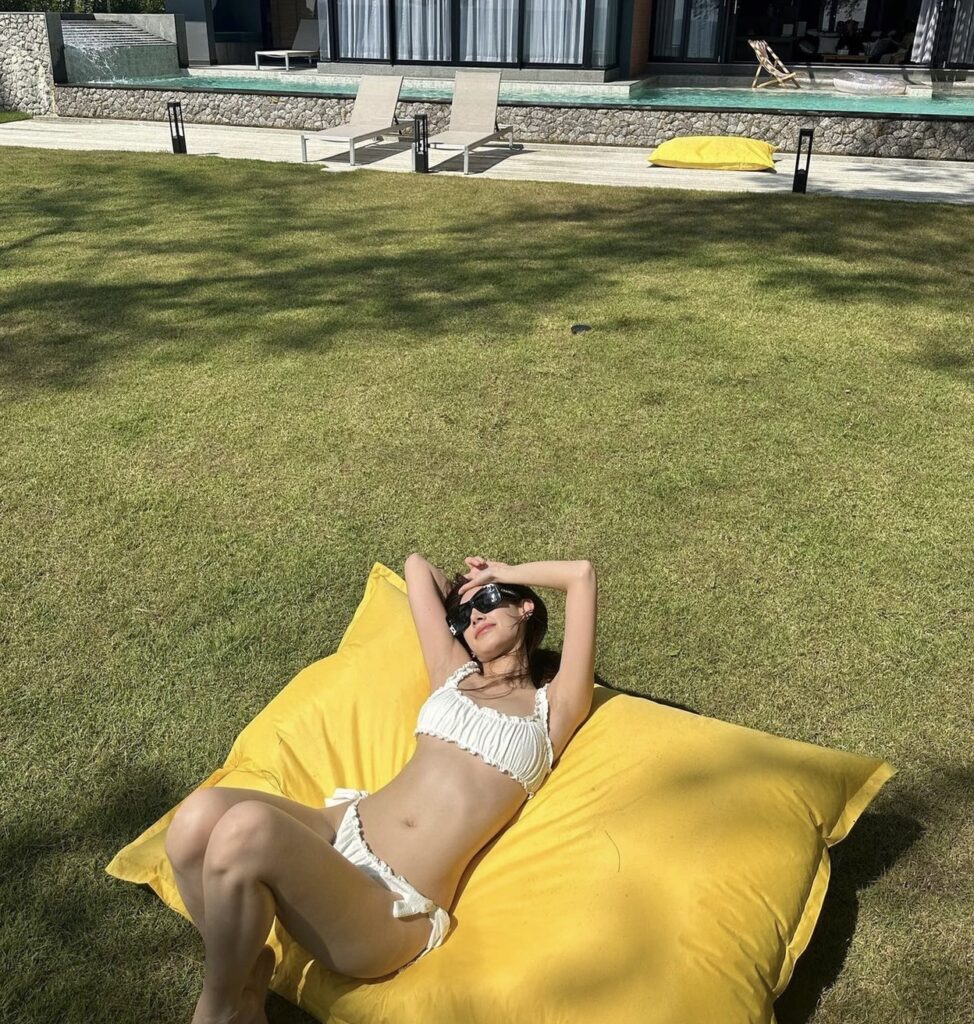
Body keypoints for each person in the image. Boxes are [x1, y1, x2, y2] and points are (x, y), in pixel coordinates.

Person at [164, 554, 598, 1024]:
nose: (474, 617)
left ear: (526, 608)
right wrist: (464, 595)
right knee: (195, 819)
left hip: (392, 906)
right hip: (337, 831)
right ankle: (245, 973)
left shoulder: (552, 710)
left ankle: (221, 1009)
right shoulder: (453, 673)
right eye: (462, 615)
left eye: (489, 601)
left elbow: (581, 576)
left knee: (246, 828)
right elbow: (416, 567)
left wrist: (500, 573)